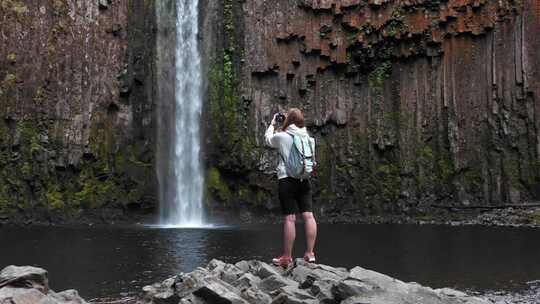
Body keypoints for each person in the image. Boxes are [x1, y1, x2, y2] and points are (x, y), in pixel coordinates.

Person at [264, 108, 317, 267]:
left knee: (290, 218)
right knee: (308, 215)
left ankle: (287, 257)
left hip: (287, 180)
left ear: (288, 121)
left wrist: (273, 124)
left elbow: (268, 140)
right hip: (303, 179)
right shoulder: (307, 137)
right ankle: (310, 254)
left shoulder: (282, 136)